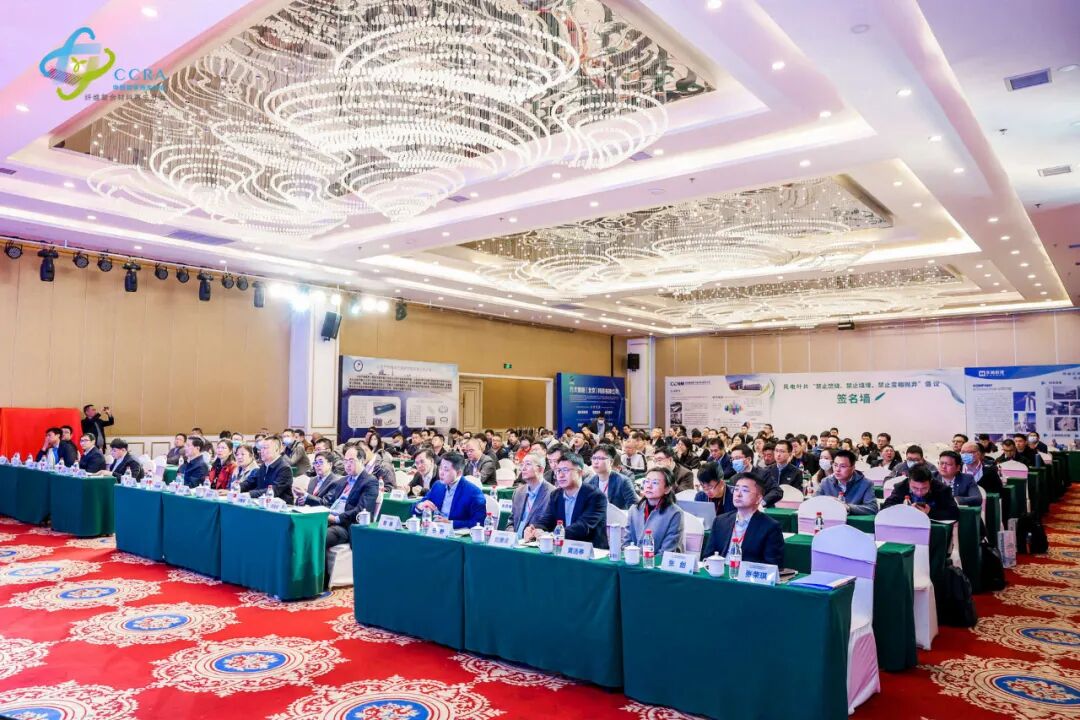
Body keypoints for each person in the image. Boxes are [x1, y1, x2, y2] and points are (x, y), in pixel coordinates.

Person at [525, 451, 608, 548]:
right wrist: (535, 528)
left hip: (589, 550)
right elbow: (547, 520)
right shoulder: (556, 495)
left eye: (565, 470)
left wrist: (553, 536)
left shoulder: (595, 496)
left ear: (580, 473)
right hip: (561, 548)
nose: (560, 475)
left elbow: (583, 527)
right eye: (558, 471)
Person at [701, 473, 784, 564]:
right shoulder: (720, 521)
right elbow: (708, 556)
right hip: (720, 570)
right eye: (736, 489)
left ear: (758, 498)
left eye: (745, 490)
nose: (738, 494)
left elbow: (772, 565)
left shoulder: (770, 527)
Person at [325, 447, 382, 575]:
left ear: (362, 461)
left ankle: (321, 579)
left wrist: (336, 518)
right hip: (328, 519)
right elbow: (330, 503)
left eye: (351, 461)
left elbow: (361, 510)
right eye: (345, 461)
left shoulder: (370, 481)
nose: (347, 465)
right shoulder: (342, 481)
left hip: (346, 525)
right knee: (306, 532)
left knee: (319, 537)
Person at [414, 452, 487, 529]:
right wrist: (420, 506)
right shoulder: (438, 485)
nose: (441, 473)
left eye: (446, 470)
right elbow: (415, 508)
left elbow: (479, 522)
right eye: (440, 468)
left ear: (459, 473)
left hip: (456, 533)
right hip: (435, 530)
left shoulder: (473, 493)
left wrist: (451, 523)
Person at [625, 467, 685, 553]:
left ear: (667, 489)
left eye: (655, 482)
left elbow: (668, 550)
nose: (649, 486)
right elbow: (626, 542)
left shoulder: (675, 513)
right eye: (646, 481)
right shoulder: (634, 509)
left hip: (659, 560)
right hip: (633, 559)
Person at [882, 465, 959, 521]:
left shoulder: (942, 489)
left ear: (930, 482)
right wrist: (905, 510)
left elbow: (954, 513)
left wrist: (930, 512)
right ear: (909, 482)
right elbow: (886, 508)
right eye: (915, 488)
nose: (919, 492)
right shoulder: (901, 487)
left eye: (924, 488)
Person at [815, 449, 878, 515]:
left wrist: (847, 507)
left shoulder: (866, 483)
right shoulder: (826, 482)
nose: (837, 470)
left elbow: (873, 508)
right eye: (835, 465)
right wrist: (827, 500)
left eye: (843, 466)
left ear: (853, 468)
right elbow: (813, 502)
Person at [510, 454, 554, 538]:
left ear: (540, 469)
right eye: (522, 464)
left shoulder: (552, 493)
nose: (523, 468)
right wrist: (511, 536)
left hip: (535, 540)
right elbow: (511, 521)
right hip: (515, 540)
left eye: (528, 464)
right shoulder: (518, 492)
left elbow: (551, 525)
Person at [239, 435, 294, 502]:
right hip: (262, 503)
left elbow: (274, 490)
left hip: (281, 506)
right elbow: (250, 482)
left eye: (265, 448)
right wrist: (237, 488)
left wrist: (249, 494)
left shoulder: (284, 468)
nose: (261, 451)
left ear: (276, 450)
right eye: (261, 448)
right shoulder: (263, 466)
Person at [584, 443, 638, 510]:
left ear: (611, 462)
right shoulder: (590, 482)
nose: (595, 462)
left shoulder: (623, 481)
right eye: (594, 458)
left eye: (600, 458)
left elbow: (634, 508)